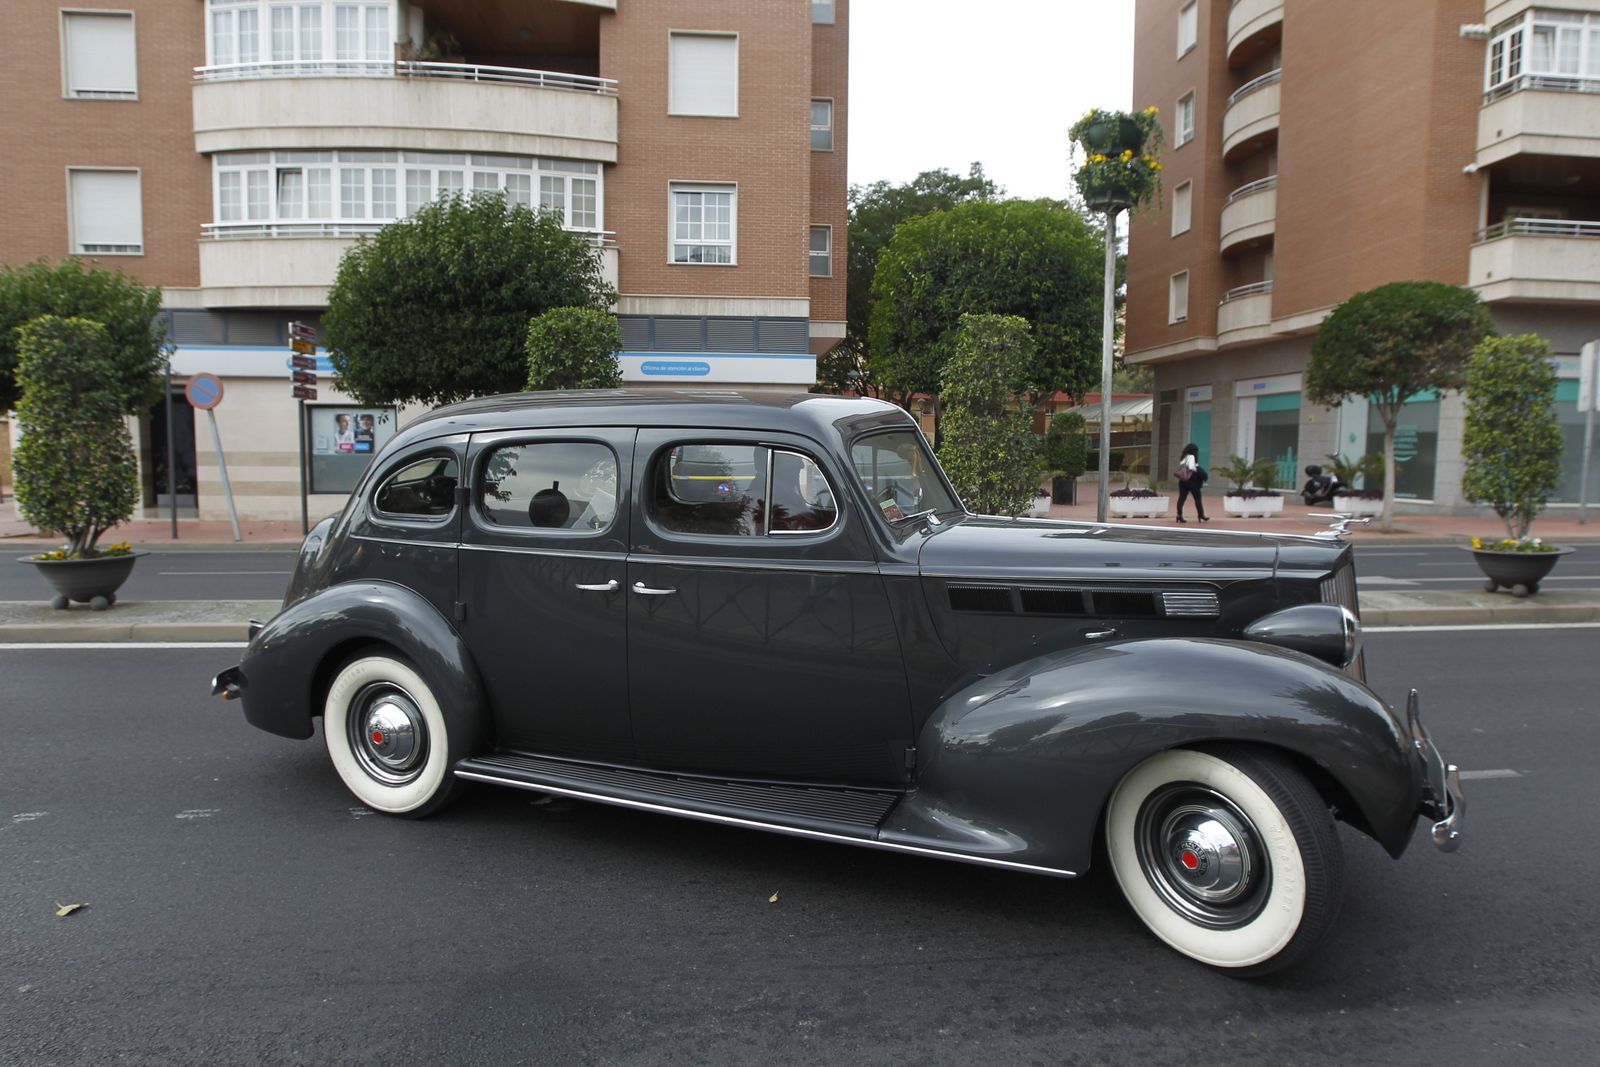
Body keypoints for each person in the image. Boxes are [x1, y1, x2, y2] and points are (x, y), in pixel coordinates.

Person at [1175, 442, 1209, 523]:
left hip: (1183, 481)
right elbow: (1193, 468)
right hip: (1193, 481)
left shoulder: (1184, 457)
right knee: (1197, 499)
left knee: (1181, 498)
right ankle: (1201, 515)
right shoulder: (1191, 457)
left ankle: (1179, 515)